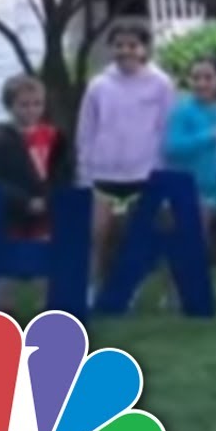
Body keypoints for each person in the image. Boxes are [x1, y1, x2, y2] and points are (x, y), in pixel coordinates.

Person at [75, 22, 177, 305]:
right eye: (119, 46)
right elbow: (86, 131)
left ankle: (170, 292)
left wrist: (161, 171)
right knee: (97, 235)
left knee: (154, 235)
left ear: (144, 49)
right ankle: (93, 289)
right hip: (104, 173)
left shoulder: (160, 84)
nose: (125, 51)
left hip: (145, 173)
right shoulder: (99, 85)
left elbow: (166, 128)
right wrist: (85, 173)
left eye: (132, 45)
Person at [0, 74, 73, 315]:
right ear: (10, 106)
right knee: (6, 269)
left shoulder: (54, 137)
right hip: (11, 214)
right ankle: (2, 316)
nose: (31, 110)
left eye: (37, 104)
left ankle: (48, 314)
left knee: (48, 266)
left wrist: (50, 200)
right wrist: (24, 202)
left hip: (47, 211)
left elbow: (64, 172)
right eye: (24, 104)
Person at [161, 56, 216, 310]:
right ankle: (174, 292)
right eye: (196, 78)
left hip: (213, 189)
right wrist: (208, 136)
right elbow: (172, 147)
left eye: (208, 78)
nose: (201, 83)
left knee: (199, 240)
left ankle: (189, 289)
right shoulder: (183, 111)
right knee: (184, 238)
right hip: (184, 188)